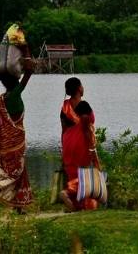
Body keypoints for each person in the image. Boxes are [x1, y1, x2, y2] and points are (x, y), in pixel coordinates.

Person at [0, 62, 35, 214]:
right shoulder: (16, 94)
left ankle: (18, 207)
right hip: (16, 144)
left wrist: (3, 133)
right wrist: (30, 63)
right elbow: (28, 74)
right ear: (15, 81)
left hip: (5, 146)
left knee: (18, 171)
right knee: (13, 173)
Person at [59, 77, 100, 212]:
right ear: (78, 89)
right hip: (81, 143)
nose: (83, 88)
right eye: (82, 85)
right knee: (85, 175)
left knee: (73, 173)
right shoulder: (84, 106)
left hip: (67, 143)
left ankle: (76, 206)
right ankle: (69, 193)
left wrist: (63, 148)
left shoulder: (65, 107)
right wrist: (92, 150)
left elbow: (63, 129)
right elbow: (87, 129)